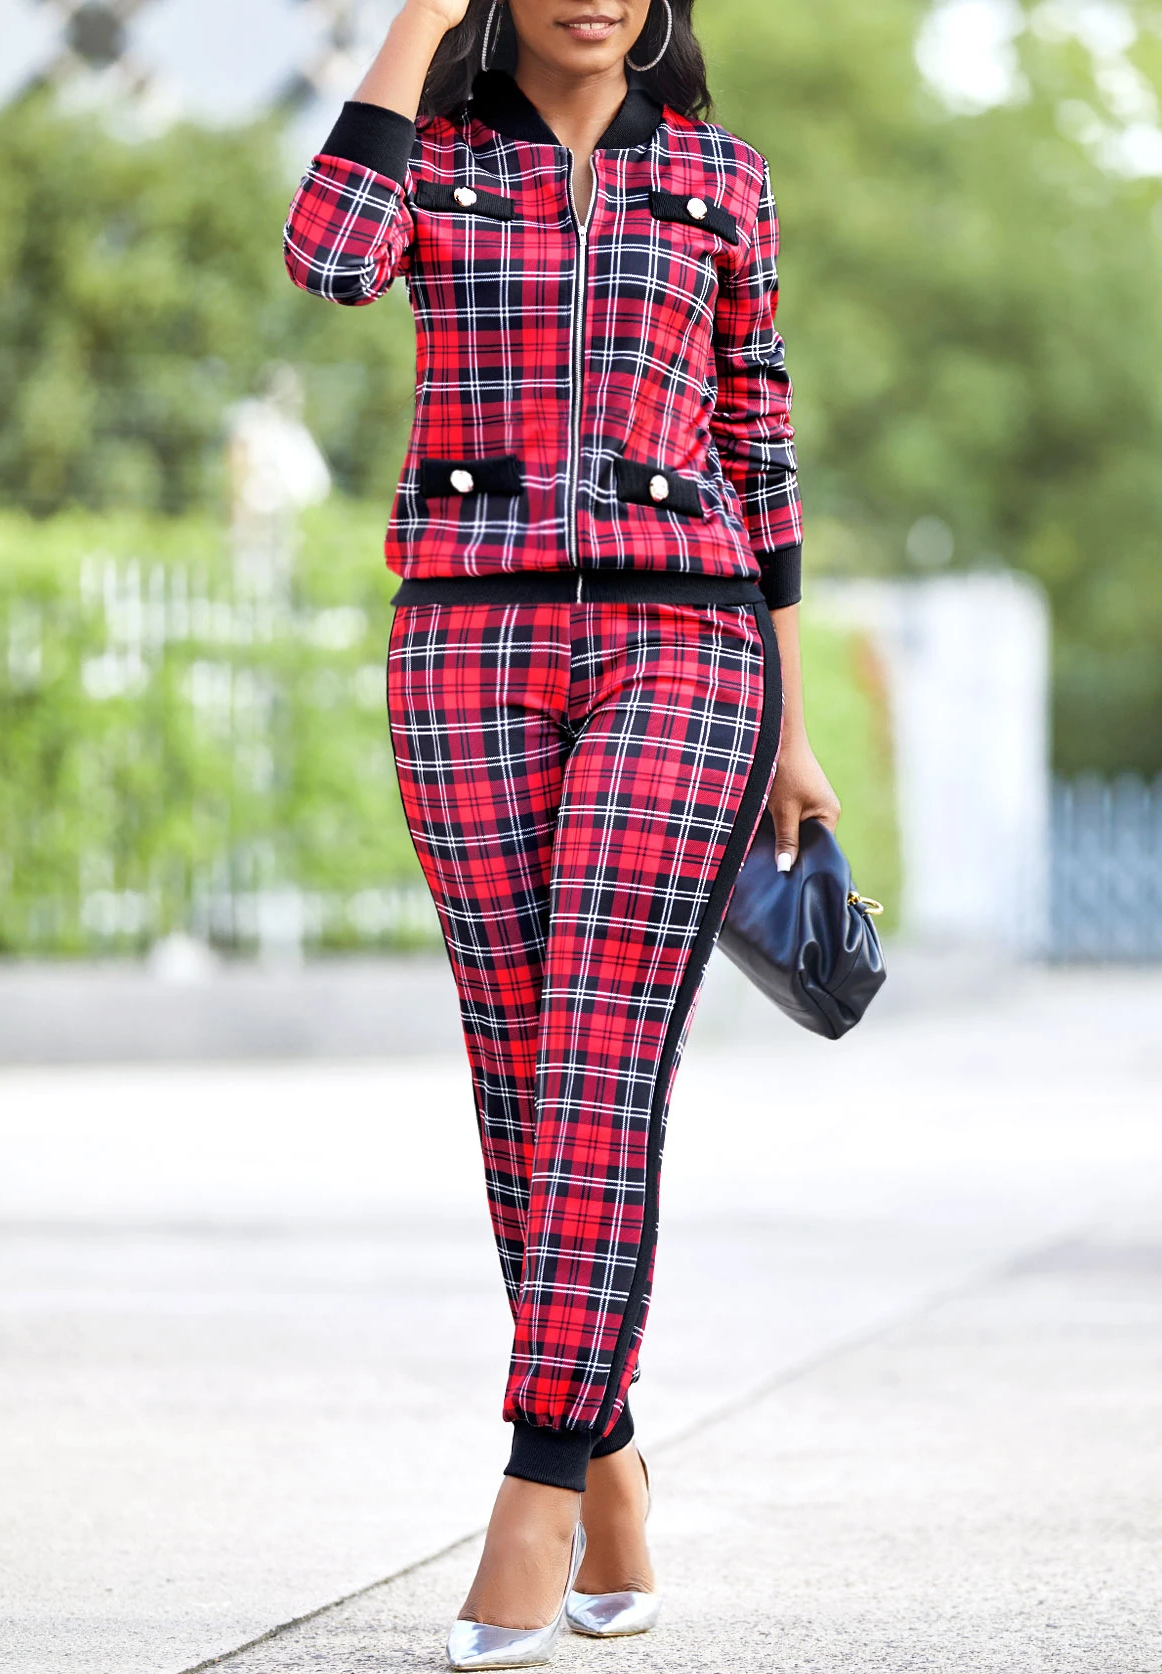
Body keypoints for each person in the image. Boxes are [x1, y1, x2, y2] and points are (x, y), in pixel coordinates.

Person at [284, 1, 839, 1665]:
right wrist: (416, 20)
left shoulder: (725, 178)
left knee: (602, 1048)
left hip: (687, 640)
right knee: (523, 1066)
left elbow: (760, 444)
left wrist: (791, 720)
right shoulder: (436, 162)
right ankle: (611, 1460)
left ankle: (532, 1486)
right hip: (468, 641)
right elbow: (326, 258)